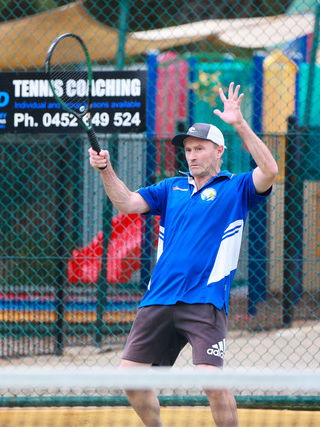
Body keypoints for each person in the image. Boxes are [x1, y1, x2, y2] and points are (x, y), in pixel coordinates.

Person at [88, 82, 278, 427]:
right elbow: (126, 202)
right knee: (130, 378)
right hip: (158, 298)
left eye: (200, 148)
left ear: (218, 151)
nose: (192, 155)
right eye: (188, 149)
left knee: (212, 381)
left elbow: (269, 171)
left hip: (204, 299)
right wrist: (106, 170)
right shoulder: (169, 188)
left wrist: (239, 124)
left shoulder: (236, 188)